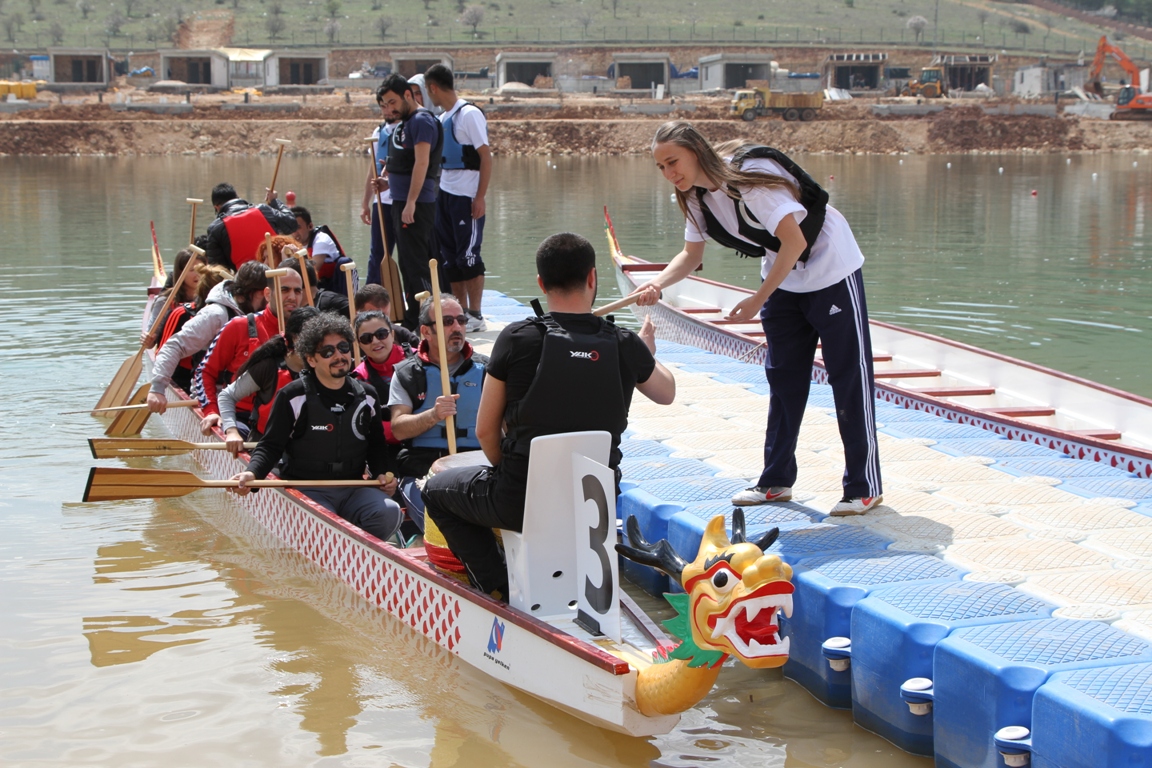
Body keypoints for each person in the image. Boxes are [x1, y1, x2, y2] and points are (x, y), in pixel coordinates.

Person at [639, 121, 882, 516]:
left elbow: (795, 240)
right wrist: (656, 284)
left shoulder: (749, 180)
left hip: (830, 269)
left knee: (848, 377)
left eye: (673, 162)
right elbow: (691, 255)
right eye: (661, 166)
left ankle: (863, 486)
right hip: (784, 276)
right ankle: (776, 481)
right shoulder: (696, 196)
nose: (669, 173)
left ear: (696, 152)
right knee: (783, 378)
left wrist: (757, 299)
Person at [422, 233, 676, 597]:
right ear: (593, 278)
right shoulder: (625, 343)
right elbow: (667, 393)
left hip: (520, 499)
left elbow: (485, 431)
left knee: (435, 491)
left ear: (541, 283)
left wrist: (509, 475)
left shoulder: (516, 338)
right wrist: (647, 353)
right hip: (595, 505)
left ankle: (497, 588)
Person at [231, 314, 404, 544]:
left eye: (343, 348)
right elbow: (270, 446)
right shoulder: (292, 396)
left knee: (389, 512)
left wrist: (382, 473)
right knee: (326, 524)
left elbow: (376, 446)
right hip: (307, 489)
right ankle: (335, 546)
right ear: (311, 360)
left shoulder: (367, 396)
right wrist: (252, 474)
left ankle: (352, 551)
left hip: (353, 487)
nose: (339, 356)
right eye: (327, 352)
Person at [389, 295, 487, 528]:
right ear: (426, 331)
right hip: (423, 469)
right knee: (441, 526)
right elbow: (398, 429)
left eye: (461, 320)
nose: (457, 327)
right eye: (447, 322)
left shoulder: (487, 369)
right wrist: (433, 415)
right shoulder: (407, 373)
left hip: (475, 466)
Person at [193, 262, 304, 429]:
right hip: (242, 418)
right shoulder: (238, 326)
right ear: (268, 294)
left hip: (292, 420)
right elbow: (205, 371)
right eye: (284, 290)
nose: (292, 297)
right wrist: (211, 411)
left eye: (297, 291)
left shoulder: (309, 332)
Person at [147, 261, 269, 412]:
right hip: (212, 398)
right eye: (269, 294)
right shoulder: (216, 315)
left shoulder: (266, 314)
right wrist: (157, 388)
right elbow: (174, 346)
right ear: (259, 293)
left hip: (249, 399)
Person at [425, 64, 492, 333]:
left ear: (433, 88)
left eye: (427, 91)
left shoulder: (469, 114)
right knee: (449, 258)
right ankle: (460, 314)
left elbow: (486, 156)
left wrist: (480, 197)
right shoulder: (442, 118)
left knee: (469, 256)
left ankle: (476, 314)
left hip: (467, 196)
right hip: (445, 194)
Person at [376, 73, 444, 329]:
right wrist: (388, 184)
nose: (390, 109)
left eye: (393, 102)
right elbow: (405, 164)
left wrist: (411, 202)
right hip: (401, 200)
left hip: (416, 204)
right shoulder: (406, 123)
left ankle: (430, 319)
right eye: (385, 105)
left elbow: (422, 163)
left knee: (416, 264)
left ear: (407, 95)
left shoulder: (422, 121)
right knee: (406, 262)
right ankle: (414, 317)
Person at [216, 306, 320, 454]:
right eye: (313, 339)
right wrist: (232, 431)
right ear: (295, 338)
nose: (318, 347)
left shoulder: (325, 368)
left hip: (305, 453)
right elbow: (227, 396)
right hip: (265, 450)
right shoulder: (268, 367)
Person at [153, 263, 233, 392]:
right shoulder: (181, 314)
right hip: (182, 381)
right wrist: (159, 387)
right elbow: (163, 352)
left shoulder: (236, 314)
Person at [351, 310, 413, 469]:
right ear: (359, 344)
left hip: (426, 442)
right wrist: (405, 429)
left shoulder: (419, 359)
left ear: (392, 334)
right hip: (387, 450)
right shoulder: (359, 378)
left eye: (381, 334)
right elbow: (366, 427)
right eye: (366, 338)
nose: (375, 341)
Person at [204, 182, 298, 271]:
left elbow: (217, 270)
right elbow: (291, 225)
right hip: (278, 275)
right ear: (237, 197)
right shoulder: (263, 210)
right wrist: (274, 201)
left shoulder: (216, 227)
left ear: (216, 207)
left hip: (246, 279)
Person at [363, 92, 400, 289]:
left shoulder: (410, 128)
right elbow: (372, 170)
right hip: (381, 202)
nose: (387, 110)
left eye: (390, 105)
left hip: (402, 201)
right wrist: (365, 203)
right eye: (383, 106)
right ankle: (371, 296)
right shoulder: (378, 132)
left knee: (408, 254)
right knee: (377, 254)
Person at [291, 205, 355, 296]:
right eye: (291, 228)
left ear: (310, 226)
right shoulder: (291, 244)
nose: (294, 233)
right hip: (321, 286)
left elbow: (313, 270)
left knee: (344, 261)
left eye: (298, 227)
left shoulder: (321, 240)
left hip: (337, 285)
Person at [145, 247, 206, 342]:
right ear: (180, 273)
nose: (197, 274)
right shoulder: (165, 301)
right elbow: (150, 341)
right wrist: (148, 339)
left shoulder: (210, 298)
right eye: (191, 270)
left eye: (201, 269)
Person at [355, 284, 419, 348]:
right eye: (375, 317)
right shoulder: (352, 343)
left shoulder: (404, 336)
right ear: (358, 313)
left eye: (385, 317)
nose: (376, 341)